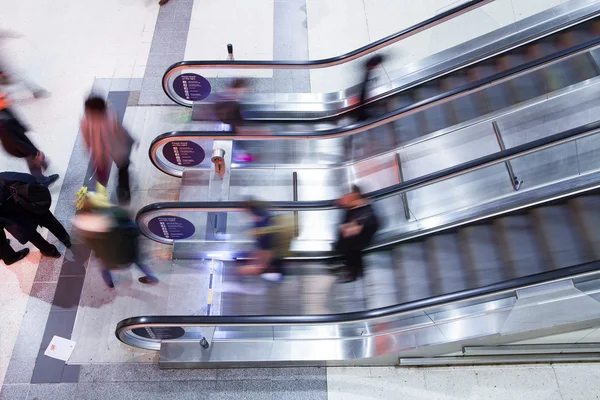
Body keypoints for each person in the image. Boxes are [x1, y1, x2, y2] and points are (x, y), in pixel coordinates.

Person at [73, 184, 158, 288]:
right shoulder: (115, 213)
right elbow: (134, 229)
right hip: (128, 252)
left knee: (104, 269)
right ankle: (152, 277)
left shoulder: (83, 227)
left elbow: (89, 245)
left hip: (108, 259)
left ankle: (109, 283)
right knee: (139, 263)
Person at [0, 171, 71, 258]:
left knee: (34, 237)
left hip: (16, 222)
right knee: (50, 222)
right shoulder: (3, 177)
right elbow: (28, 178)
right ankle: (66, 239)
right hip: (30, 206)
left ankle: (51, 251)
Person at [80, 95, 134, 204]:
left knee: (119, 171)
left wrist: (129, 140)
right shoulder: (89, 121)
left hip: (112, 150)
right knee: (107, 173)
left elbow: (120, 131)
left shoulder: (108, 118)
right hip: (107, 151)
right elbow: (86, 137)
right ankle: (112, 195)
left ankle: (119, 192)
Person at [0, 92, 59, 186]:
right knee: (33, 158)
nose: (6, 99)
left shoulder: (4, 110)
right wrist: (33, 153)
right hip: (16, 145)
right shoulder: (3, 123)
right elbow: (16, 143)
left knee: (36, 157)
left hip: (18, 139)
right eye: (2, 98)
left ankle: (41, 167)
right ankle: (41, 181)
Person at [238, 200, 294, 282]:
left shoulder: (275, 257)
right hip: (269, 233)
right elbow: (265, 252)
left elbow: (262, 253)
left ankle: (252, 205)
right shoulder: (272, 256)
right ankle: (252, 205)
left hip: (269, 232)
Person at [332, 185, 379, 283]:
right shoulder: (351, 209)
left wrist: (348, 228)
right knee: (346, 242)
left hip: (363, 232)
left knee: (350, 242)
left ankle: (354, 270)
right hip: (355, 233)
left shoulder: (364, 210)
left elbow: (357, 227)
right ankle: (353, 268)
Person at [356, 54, 385, 121]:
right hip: (364, 107)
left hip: (364, 106)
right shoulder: (367, 74)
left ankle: (362, 115)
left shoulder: (367, 74)